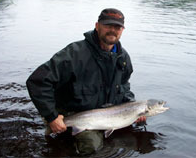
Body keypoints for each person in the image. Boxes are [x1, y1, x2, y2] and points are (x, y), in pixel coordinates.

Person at [26, 8, 146, 154]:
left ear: (122, 30)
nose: (112, 30)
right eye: (108, 25)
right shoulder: (74, 54)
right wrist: (52, 116)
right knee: (91, 147)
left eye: (117, 27)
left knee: (134, 136)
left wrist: (133, 107)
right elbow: (37, 81)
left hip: (107, 115)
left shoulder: (123, 58)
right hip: (74, 114)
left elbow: (124, 86)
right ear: (97, 26)